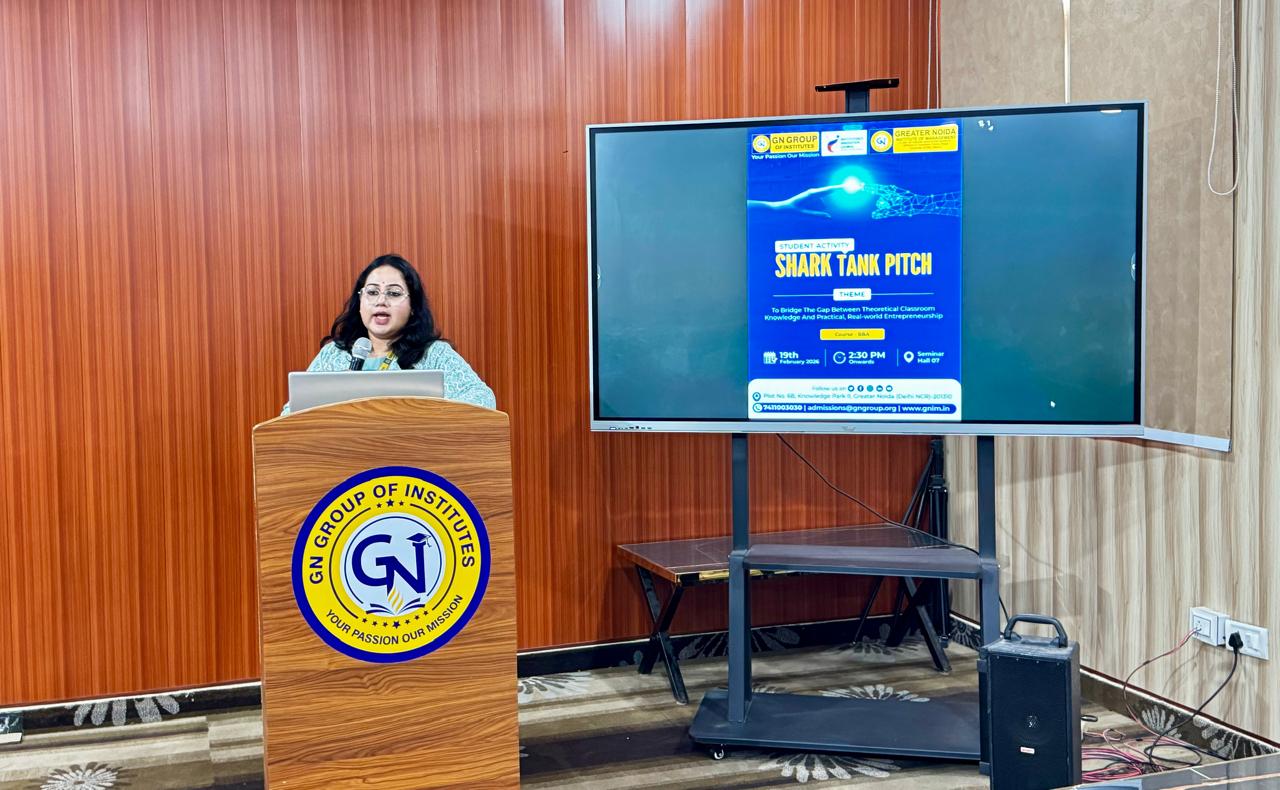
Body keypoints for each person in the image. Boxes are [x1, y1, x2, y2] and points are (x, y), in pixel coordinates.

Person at [282, 254, 495, 414]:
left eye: (393, 293)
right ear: (360, 302)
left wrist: (422, 417)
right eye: (372, 292)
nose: (381, 300)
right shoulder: (333, 355)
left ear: (413, 306)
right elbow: (290, 414)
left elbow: (483, 400)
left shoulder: (434, 355)